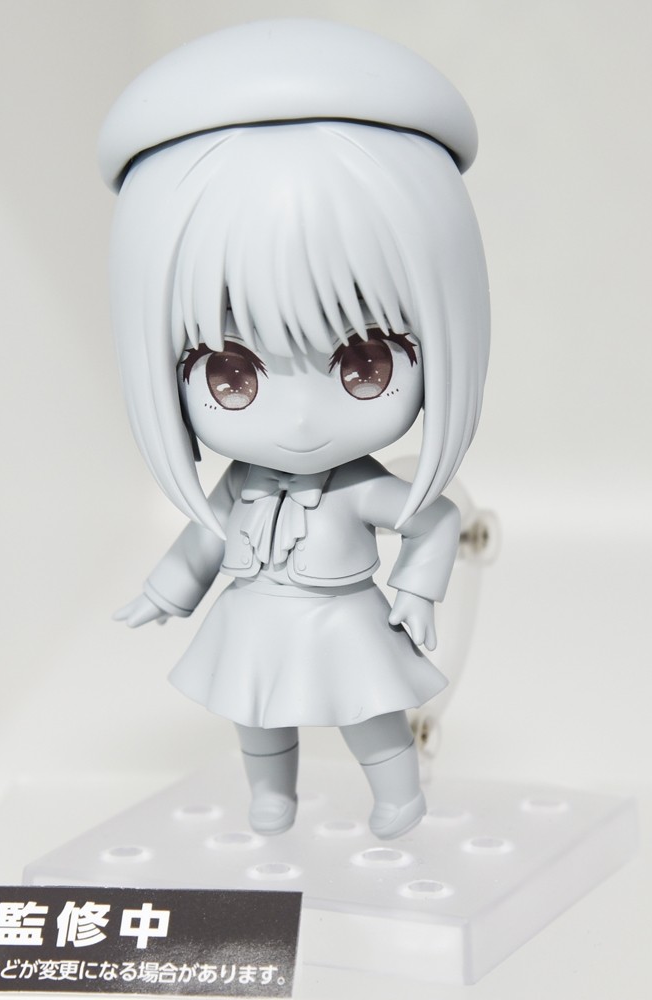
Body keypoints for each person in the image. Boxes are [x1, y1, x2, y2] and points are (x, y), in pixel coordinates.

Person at [100, 19, 490, 839]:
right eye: (232, 375)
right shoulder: (241, 484)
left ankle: (398, 797)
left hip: (344, 617)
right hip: (255, 615)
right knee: (255, 713)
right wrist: (164, 593)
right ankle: (271, 798)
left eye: (364, 365)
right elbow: (205, 539)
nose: (303, 419)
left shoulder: (359, 488)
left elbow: (435, 518)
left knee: (369, 713)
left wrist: (417, 591)